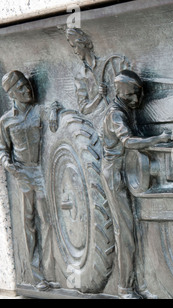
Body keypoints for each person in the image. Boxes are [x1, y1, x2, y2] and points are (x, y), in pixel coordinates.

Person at [101, 69, 171, 299]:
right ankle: (125, 289)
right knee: (126, 233)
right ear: (119, 92)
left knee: (136, 230)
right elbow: (130, 142)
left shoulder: (126, 110)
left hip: (130, 170)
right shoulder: (115, 115)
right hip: (116, 175)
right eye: (132, 95)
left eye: (139, 94)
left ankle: (139, 284)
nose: (137, 100)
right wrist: (158, 139)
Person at [0, 71, 61, 291]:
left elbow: (53, 110)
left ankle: (52, 272)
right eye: (22, 89)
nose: (28, 90)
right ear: (11, 94)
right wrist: (7, 163)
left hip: (41, 172)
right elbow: (2, 148)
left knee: (48, 221)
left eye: (28, 85)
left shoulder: (39, 111)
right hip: (22, 174)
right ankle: (37, 277)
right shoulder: (5, 121)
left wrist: (54, 112)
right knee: (28, 225)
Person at [66, 28, 107, 116]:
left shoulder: (105, 64)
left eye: (75, 46)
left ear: (82, 44)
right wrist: (99, 97)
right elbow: (83, 109)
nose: (75, 52)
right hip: (98, 118)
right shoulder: (80, 76)